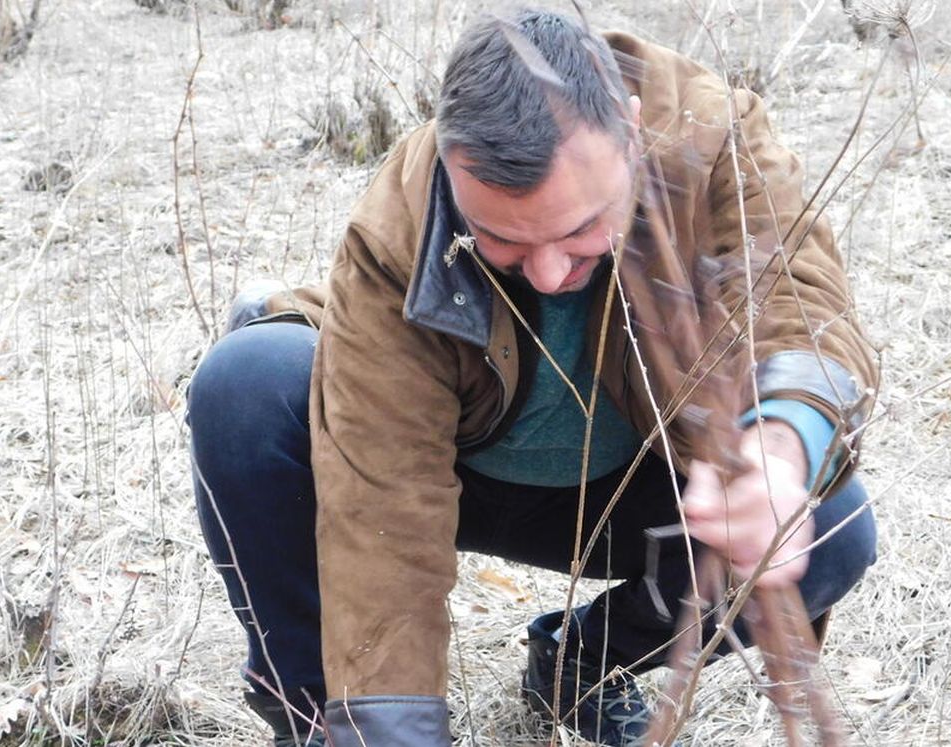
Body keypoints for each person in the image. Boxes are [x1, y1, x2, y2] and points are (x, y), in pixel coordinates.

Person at [187, 8, 878, 747]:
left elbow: (797, 304)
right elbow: (381, 506)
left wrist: (776, 449)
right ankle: (315, 718)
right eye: (502, 240)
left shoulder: (711, 145)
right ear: (453, 169)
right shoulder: (400, 224)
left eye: (581, 228)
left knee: (834, 529)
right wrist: (387, 728)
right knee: (249, 384)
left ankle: (579, 662)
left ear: (632, 129)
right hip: (452, 476)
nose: (550, 273)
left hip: (635, 490)